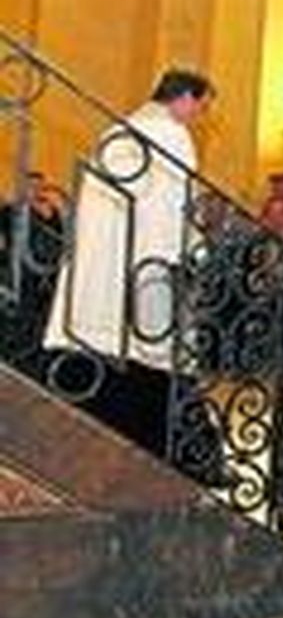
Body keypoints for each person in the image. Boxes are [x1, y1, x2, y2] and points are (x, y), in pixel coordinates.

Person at [44, 68, 214, 462]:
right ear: (185, 97)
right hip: (145, 266)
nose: (197, 117)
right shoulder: (171, 134)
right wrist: (195, 252)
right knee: (153, 354)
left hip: (102, 263)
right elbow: (175, 207)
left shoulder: (121, 130)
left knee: (102, 337)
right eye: (200, 108)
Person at [0, 170, 68, 380]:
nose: (35, 190)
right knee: (19, 311)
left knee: (39, 314)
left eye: (39, 185)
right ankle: (12, 354)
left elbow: (60, 237)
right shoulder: (12, 210)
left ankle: (29, 357)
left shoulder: (52, 210)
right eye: (31, 185)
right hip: (19, 270)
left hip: (46, 270)